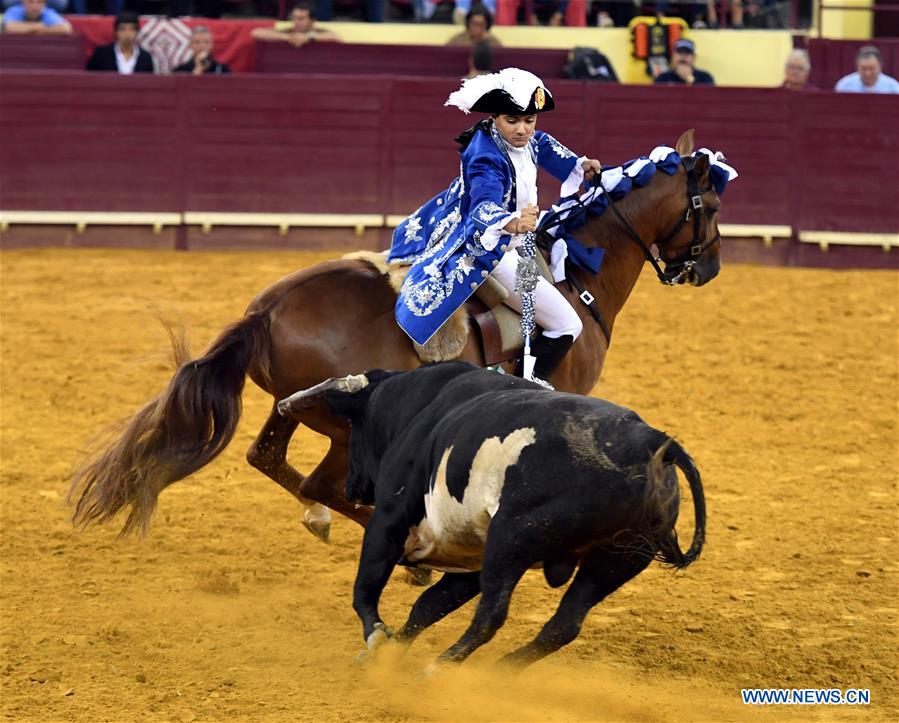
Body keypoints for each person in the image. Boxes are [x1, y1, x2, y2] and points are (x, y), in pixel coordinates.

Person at [387, 68, 602, 387]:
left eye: (529, 120)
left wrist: (577, 164)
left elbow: (542, 143)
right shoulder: (486, 156)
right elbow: (483, 205)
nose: (522, 130)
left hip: (498, 237)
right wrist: (513, 223)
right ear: (494, 117)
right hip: (494, 249)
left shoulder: (520, 138)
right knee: (567, 323)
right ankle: (529, 386)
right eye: (512, 120)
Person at [85, 12, 154, 73]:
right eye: (122, 29)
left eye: (131, 29)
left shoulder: (145, 57)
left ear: (137, 32)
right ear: (116, 32)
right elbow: (89, 78)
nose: (127, 34)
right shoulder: (101, 54)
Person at [250, 3, 339, 47]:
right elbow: (256, 32)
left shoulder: (318, 31)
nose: (296, 22)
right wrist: (287, 37)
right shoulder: (288, 31)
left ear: (312, 21)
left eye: (301, 19)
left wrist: (308, 37)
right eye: (294, 18)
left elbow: (336, 37)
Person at [834, 46, 899, 94]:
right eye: (863, 69)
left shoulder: (893, 88)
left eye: (872, 68)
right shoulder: (844, 86)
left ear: (880, 66)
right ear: (857, 67)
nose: (868, 73)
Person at [1, 0, 71, 35]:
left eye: (39, 2)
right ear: (24, 2)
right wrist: (38, 26)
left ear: (44, 4)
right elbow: (8, 27)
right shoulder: (14, 11)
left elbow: (65, 28)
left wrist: (36, 30)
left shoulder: (47, 12)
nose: (35, 6)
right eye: (31, 2)